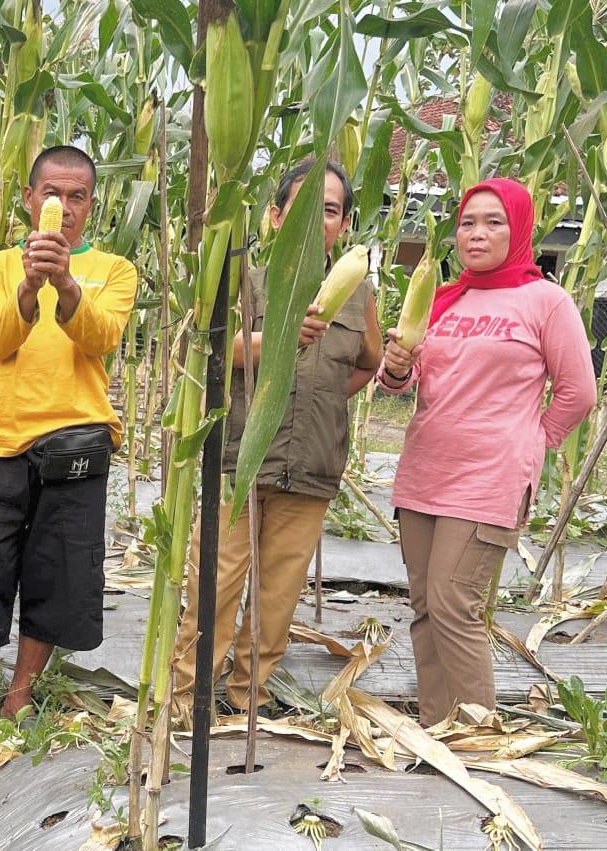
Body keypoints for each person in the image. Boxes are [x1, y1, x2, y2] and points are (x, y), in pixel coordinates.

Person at [0, 146, 137, 729]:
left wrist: (66, 284)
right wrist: (28, 286)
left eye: (77, 197)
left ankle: (20, 695)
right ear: (28, 198)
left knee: (58, 576)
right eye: (52, 194)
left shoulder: (115, 270)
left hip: (75, 446)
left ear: (92, 204)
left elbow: (101, 339)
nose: (63, 208)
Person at [377, 177, 596, 725]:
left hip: (488, 479)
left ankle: (477, 733)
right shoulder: (446, 298)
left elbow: (578, 392)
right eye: (467, 222)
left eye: (493, 222)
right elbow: (404, 380)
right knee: (426, 607)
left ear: (519, 229)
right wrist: (398, 369)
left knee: (456, 604)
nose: (476, 234)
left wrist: (531, 439)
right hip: (425, 467)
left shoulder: (546, 300)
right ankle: (436, 730)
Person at [173, 160, 382, 718]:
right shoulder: (245, 281)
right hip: (239, 459)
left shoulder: (359, 295)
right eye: (305, 206)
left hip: (310, 467)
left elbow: (368, 361)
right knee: (214, 587)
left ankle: (247, 697)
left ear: (343, 224)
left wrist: (330, 399)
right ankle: (186, 699)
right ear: (275, 216)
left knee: (276, 599)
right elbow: (218, 351)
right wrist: (284, 337)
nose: (319, 219)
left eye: (331, 210)